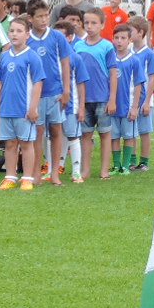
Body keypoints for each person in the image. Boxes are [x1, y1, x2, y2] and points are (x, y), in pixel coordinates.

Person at [0, 16, 44, 191]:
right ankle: (10, 176)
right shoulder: (4, 57)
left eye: (19, 31)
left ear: (27, 34)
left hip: (24, 110)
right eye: (12, 31)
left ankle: (27, 178)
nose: (14, 34)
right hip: (6, 109)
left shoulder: (32, 57)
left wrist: (33, 107)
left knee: (26, 144)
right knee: (10, 144)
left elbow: (38, 83)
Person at [24, 0, 73, 187]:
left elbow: (65, 63)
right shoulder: (28, 39)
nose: (44, 20)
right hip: (35, 95)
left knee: (56, 131)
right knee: (37, 133)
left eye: (46, 16)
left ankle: (55, 173)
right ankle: (36, 173)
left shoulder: (57, 36)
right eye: (39, 17)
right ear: (30, 18)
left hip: (55, 92)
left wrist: (67, 89)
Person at [76, 8, 119, 179]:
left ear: (102, 25)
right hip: (84, 99)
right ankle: (85, 170)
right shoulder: (78, 46)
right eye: (86, 22)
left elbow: (113, 73)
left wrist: (112, 99)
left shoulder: (107, 46)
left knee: (104, 133)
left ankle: (104, 169)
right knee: (85, 134)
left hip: (102, 97)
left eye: (94, 23)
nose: (89, 26)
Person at [54, 17, 88, 183]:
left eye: (61, 36)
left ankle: (76, 171)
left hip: (70, 106)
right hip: (53, 105)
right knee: (52, 136)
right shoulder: (51, 58)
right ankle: (54, 167)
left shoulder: (75, 58)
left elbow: (81, 84)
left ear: (69, 38)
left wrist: (81, 107)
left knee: (73, 136)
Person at [128, 16, 154, 171]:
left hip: (144, 100)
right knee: (131, 131)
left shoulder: (149, 53)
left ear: (140, 32)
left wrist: (148, 101)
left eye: (131, 31)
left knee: (144, 131)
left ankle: (144, 162)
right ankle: (131, 160)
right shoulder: (127, 51)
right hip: (130, 98)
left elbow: (152, 76)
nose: (128, 34)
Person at [109, 23, 144, 174]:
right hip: (112, 106)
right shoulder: (110, 59)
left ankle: (126, 165)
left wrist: (135, 106)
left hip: (127, 106)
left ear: (129, 40)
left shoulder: (134, 60)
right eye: (116, 38)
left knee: (128, 136)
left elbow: (138, 85)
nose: (119, 41)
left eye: (123, 38)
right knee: (114, 136)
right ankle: (116, 166)